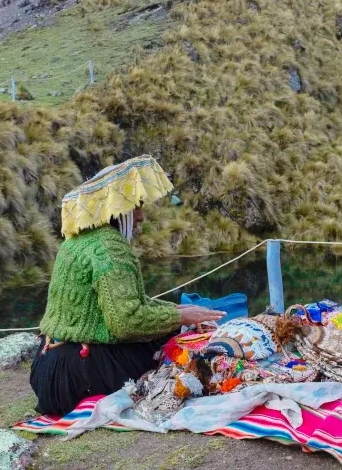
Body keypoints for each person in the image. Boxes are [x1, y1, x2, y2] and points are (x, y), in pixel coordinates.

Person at [30, 155, 224, 415]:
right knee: (174, 347)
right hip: (76, 376)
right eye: (137, 206)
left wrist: (176, 312)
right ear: (118, 209)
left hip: (47, 371)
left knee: (168, 329)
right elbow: (126, 322)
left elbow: (126, 308)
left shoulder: (77, 240)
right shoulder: (111, 248)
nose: (141, 216)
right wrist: (181, 318)